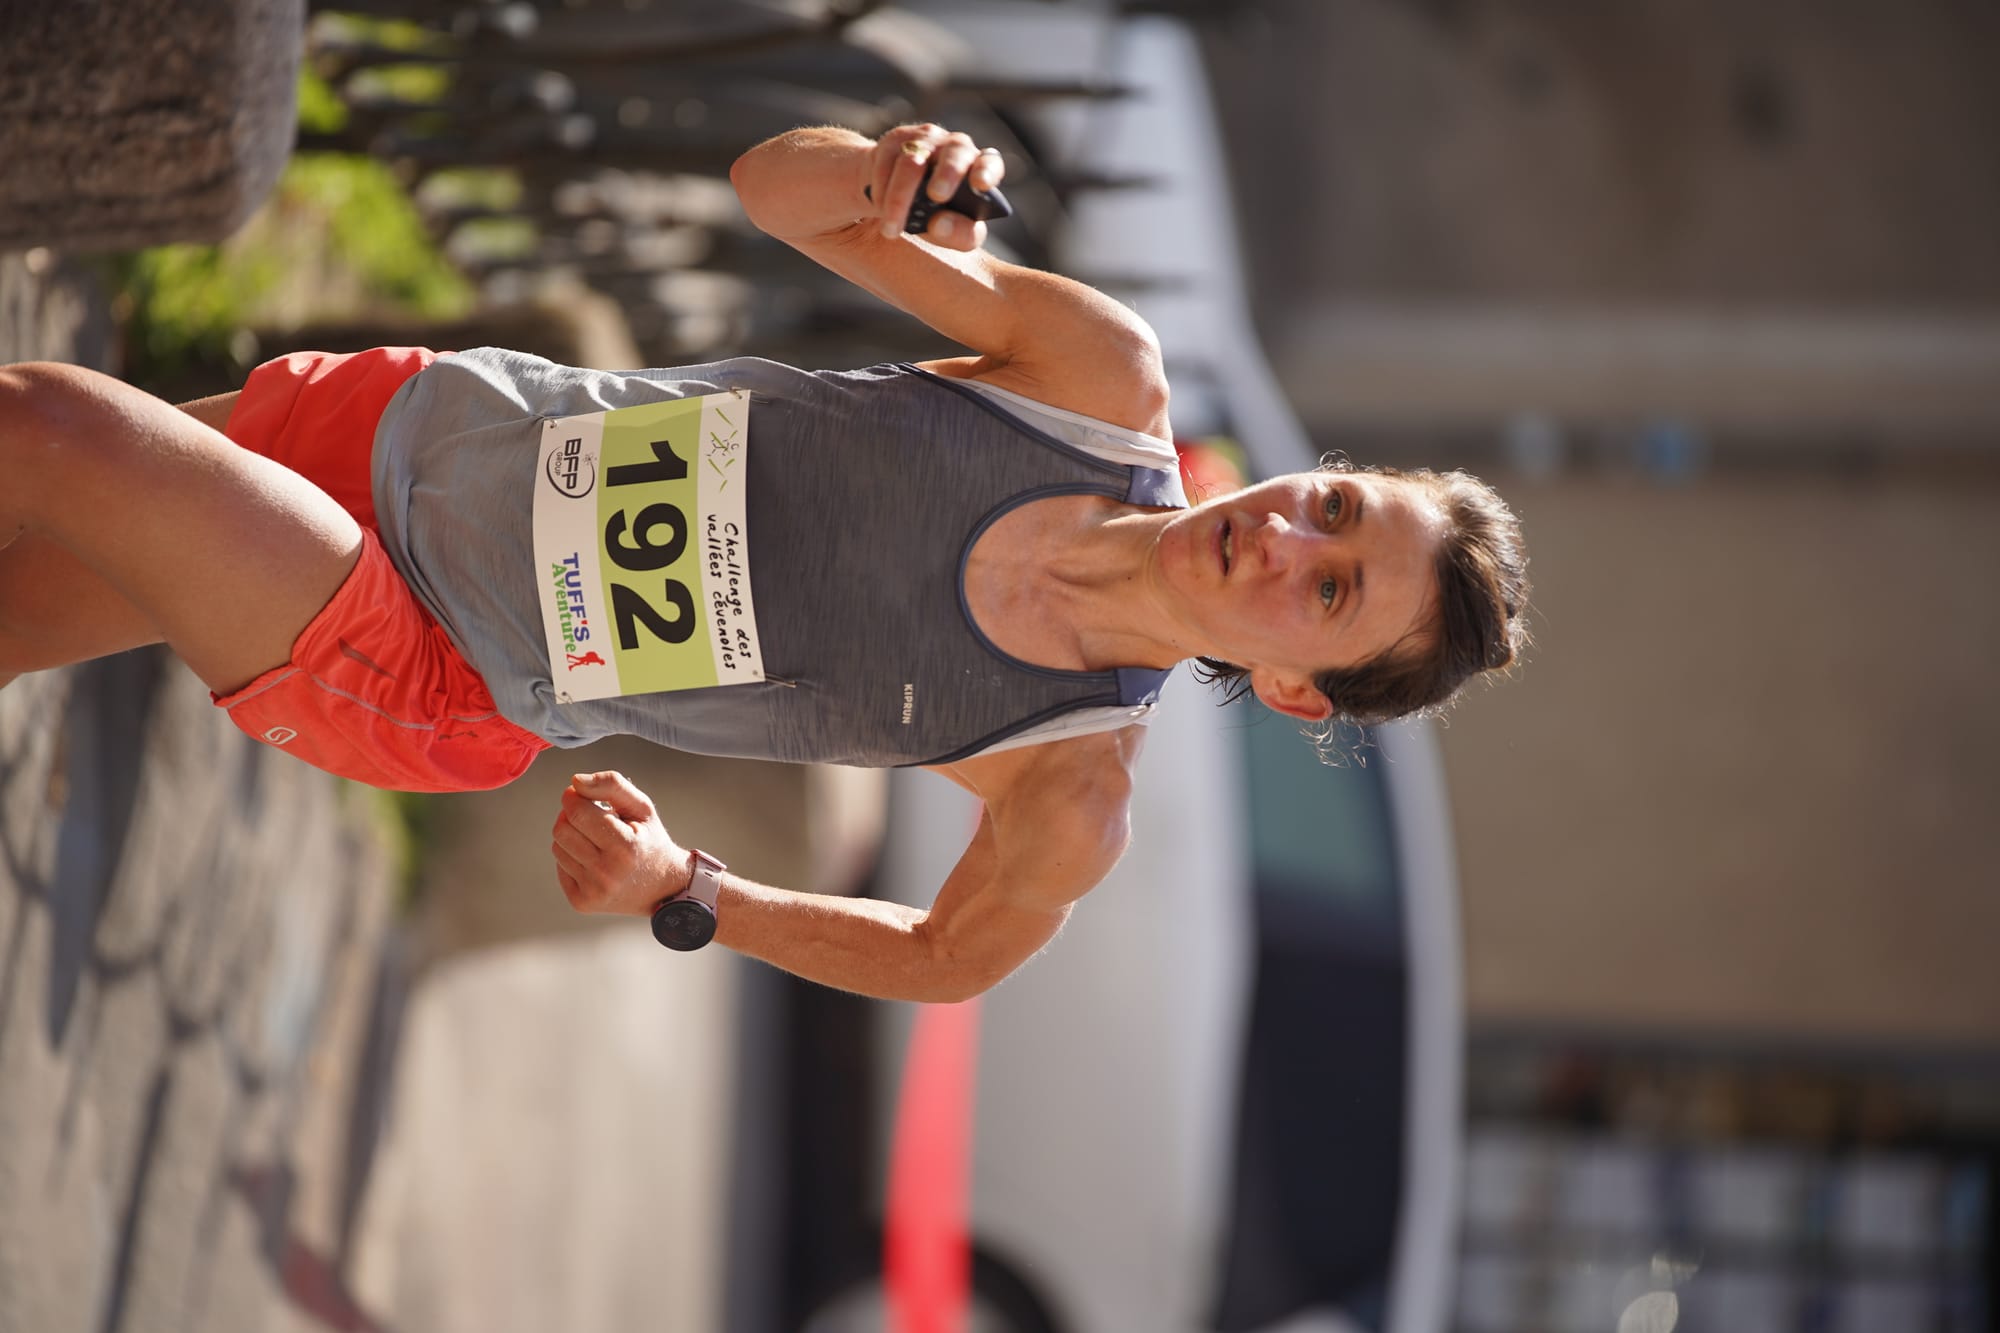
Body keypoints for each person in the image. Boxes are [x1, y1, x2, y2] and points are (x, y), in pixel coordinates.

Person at [0, 123, 1529, 1001]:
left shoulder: (1068, 788)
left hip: (433, 659)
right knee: (28, 582)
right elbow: (768, 191)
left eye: (1330, 593)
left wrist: (692, 890)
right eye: (1334, 504)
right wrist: (880, 172)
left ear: (1294, 686)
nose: (1284, 536)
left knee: (52, 430)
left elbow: (949, 958)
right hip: (429, 429)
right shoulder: (1092, 380)